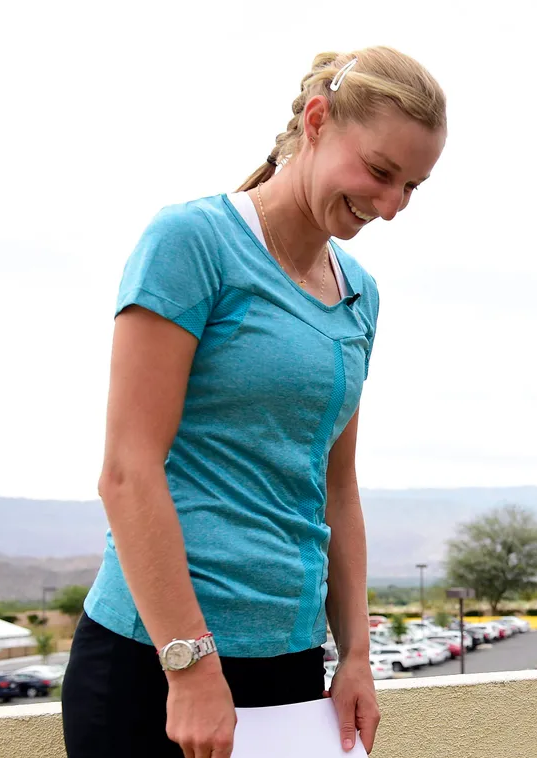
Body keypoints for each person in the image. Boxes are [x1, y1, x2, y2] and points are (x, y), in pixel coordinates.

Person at [61, 47, 447, 758]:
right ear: (317, 119)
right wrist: (191, 665)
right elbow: (127, 469)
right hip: (157, 667)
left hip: (291, 669)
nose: (390, 206)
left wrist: (354, 656)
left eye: (412, 187)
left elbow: (336, 488)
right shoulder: (193, 243)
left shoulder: (359, 293)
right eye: (380, 172)